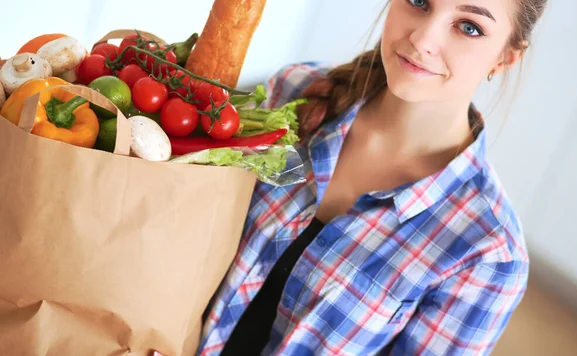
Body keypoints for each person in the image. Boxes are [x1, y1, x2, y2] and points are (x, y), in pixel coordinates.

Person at [191, 0, 548, 355]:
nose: (423, 39)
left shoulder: (488, 252)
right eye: (419, 2)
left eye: (469, 27)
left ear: (505, 58)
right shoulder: (294, 93)